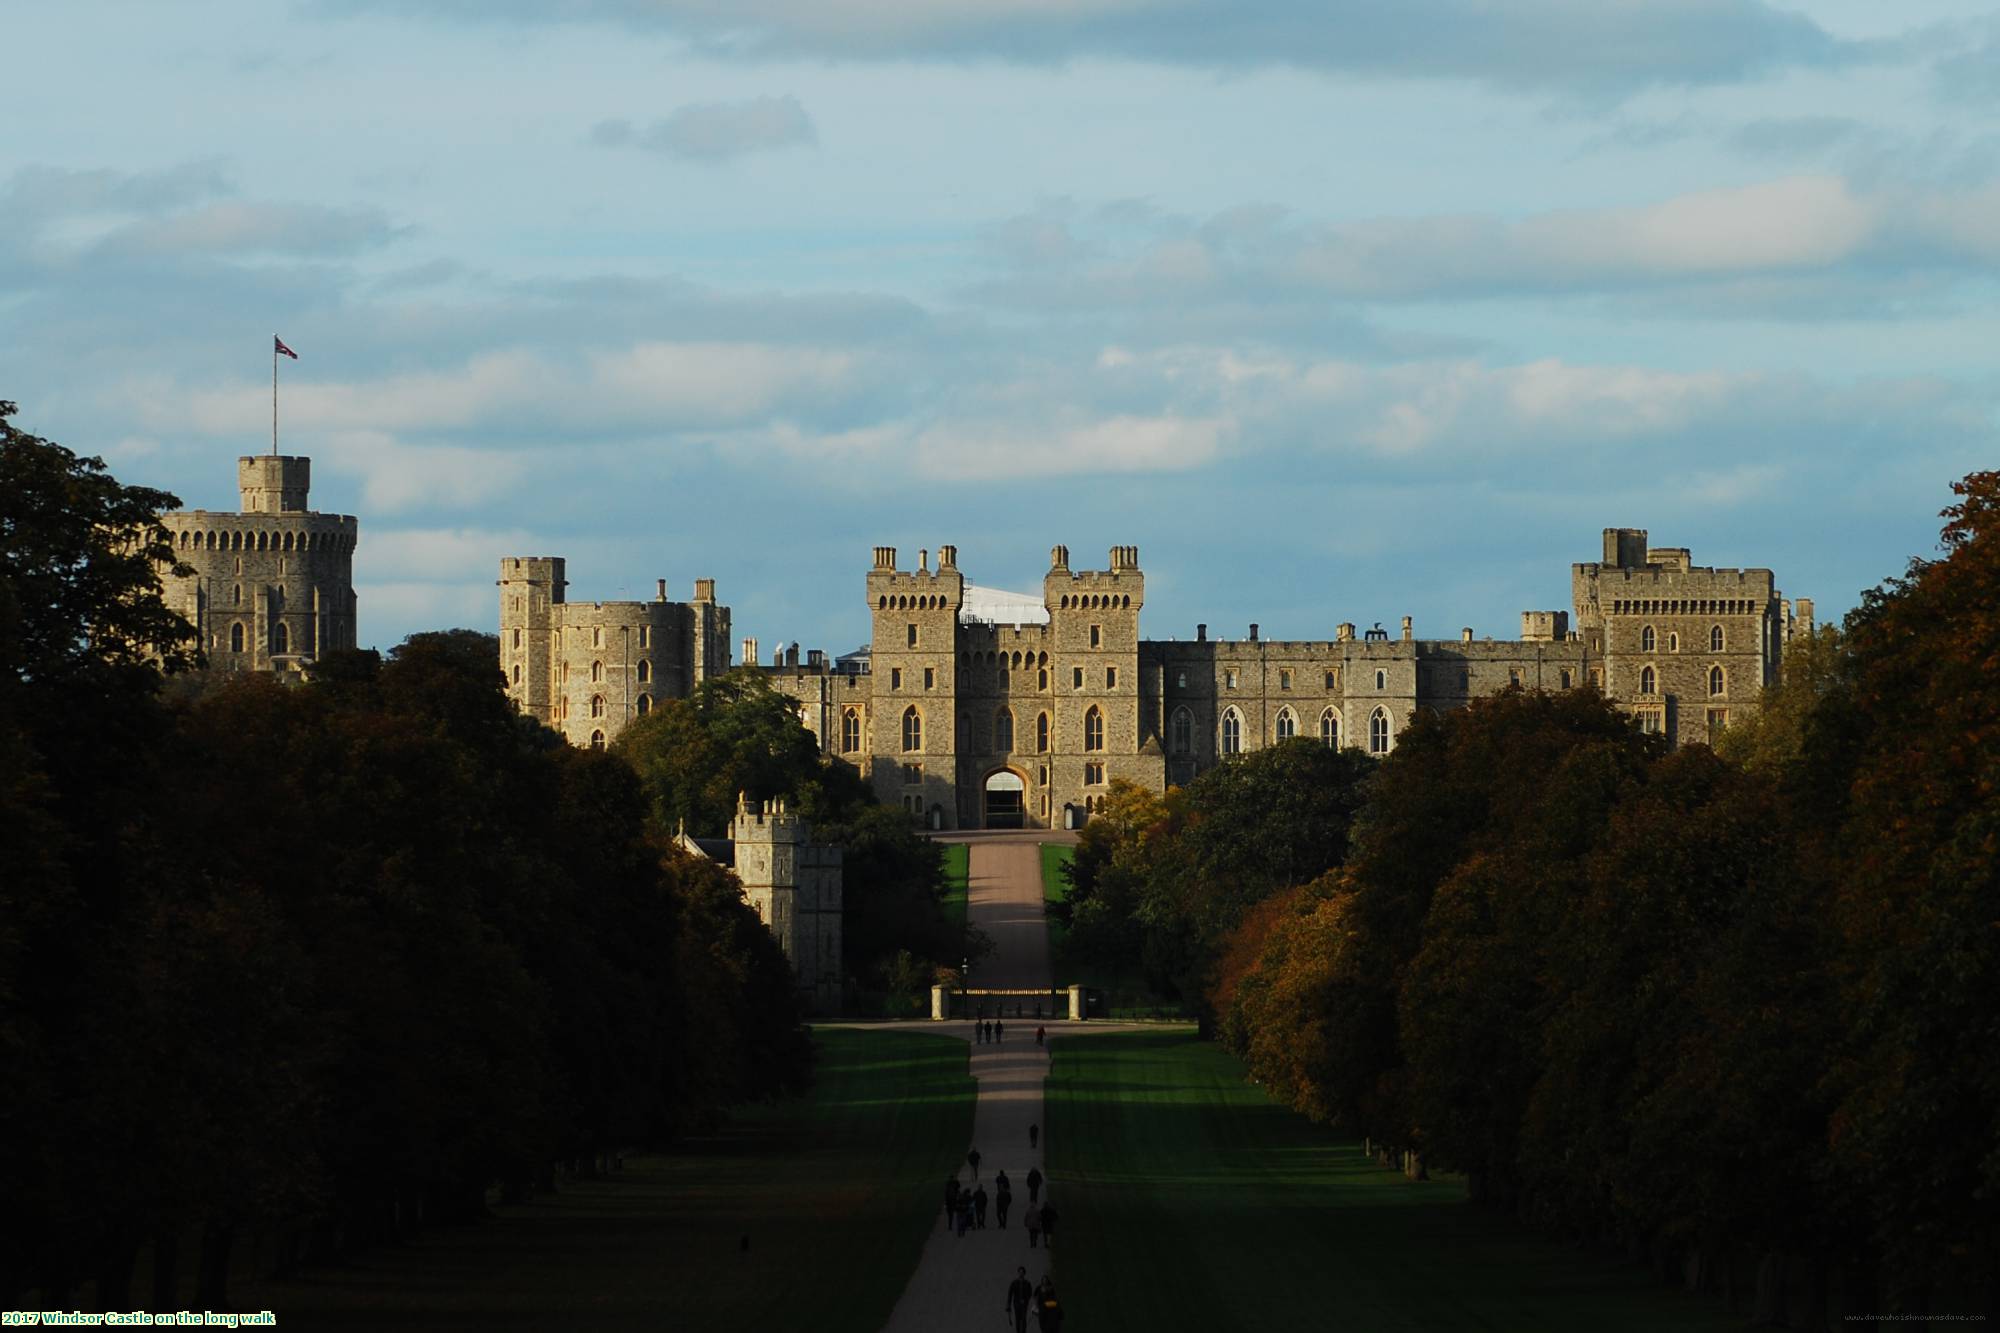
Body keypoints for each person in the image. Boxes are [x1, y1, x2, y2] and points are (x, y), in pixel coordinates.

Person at [1005, 1266, 1034, 1333]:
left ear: (1024, 1273)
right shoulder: (1014, 1283)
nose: (1021, 1274)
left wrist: (1026, 1300)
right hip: (1016, 1304)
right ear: (1018, 1273)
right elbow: (1010, 1294)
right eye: (1020, 1272)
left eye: (1022, 1272)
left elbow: (1030, 1293)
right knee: (1017, 1319)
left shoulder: (1027, 1283)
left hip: (1024, 1304)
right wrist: (1008, 1305)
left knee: (1023, 1319)